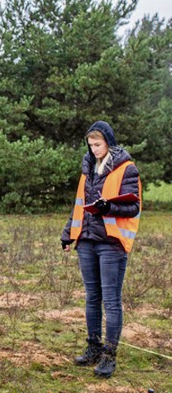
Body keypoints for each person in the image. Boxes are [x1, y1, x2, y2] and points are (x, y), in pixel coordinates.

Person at [61, 121, 141, 378]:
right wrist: (68, 235)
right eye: (90, 145)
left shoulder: (127, 169)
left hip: (111, 244)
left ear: (109, 142)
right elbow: (79, 206)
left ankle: (109, 355)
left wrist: (109, 208)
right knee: (92, 297)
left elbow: (133, 207)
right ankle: (93, 347)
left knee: (111, 300)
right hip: (86, 241)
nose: (94, 149)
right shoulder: (87, 169)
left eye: (98, 144)